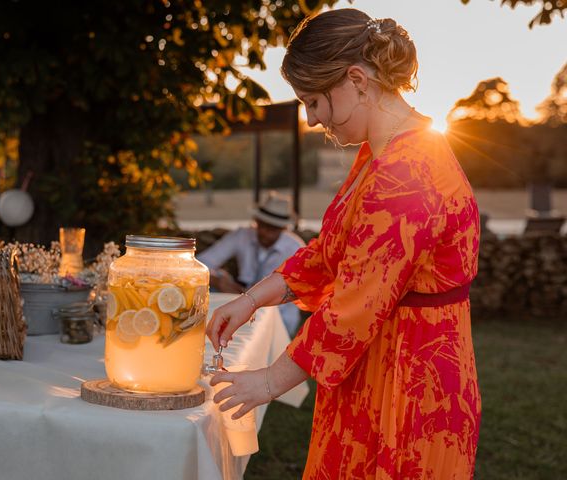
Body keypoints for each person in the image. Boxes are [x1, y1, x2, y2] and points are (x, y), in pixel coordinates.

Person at [206, 8, 481, 479]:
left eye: (314, 102)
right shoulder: (384, 151)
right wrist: (253, 299)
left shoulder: (406, 171)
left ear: (356, 78)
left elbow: (356, 304)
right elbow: (331, 253)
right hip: (376, 363)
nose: (312, 120)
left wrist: (270, 380)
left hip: (409, 380)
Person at [197, 191, 306, 335]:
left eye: (273, 228)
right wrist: (218, 281)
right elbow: (199, 264)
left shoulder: (295, 248)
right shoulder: (242, 235)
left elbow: (297, 292)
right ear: (256, 221)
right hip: (243, 303)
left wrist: (245, 297)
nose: (266, 233)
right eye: (263, 225)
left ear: (283, 228)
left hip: (279, 313)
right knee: (206, 286)